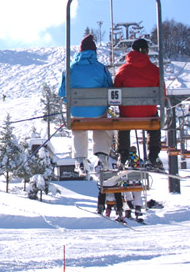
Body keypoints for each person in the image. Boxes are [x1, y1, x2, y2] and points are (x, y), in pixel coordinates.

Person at [58, 34, 114, 176]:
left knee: (79, 127)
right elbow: (110, 89)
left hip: (78, 111)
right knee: (102, 124)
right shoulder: (101, 68)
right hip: (98, 112)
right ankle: (101, 157)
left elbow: (62, 92)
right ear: (94, 52)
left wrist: (68, 102)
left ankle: (81, 159)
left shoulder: (70, 69)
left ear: (80, 51)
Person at [114, 38, 164, 170]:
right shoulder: (155, 70)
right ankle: (153, 156)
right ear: (146, 51)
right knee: (154, 121)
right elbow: (161, 95)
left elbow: (115, 91)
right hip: (148, 113)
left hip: (127, 113)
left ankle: (123, 155)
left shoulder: (123, 70)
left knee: (123, 121)